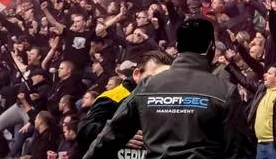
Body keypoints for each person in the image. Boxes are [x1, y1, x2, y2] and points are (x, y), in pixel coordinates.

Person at [83, 17, 248, 159]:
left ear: (177, 47)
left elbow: (109, 136)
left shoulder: (148, 86)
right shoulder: (224, 91)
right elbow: (238, 151)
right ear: (211, 48)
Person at [249, 61, 276, 159]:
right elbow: (245, 82)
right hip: (260, 143)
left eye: (269, 73)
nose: (265, 74)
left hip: (274, 145)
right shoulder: (262, 90)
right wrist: (229, 65)